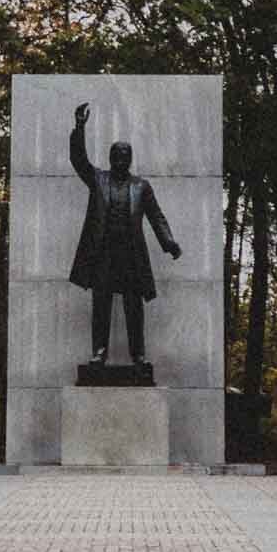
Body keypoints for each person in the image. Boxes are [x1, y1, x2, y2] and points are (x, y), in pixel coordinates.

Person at [67, 98, 182, 371]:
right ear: (110, 158)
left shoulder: (141, 186)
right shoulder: (98, 179)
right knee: (101, 304)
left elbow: (156, 216)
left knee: (134, 306)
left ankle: (138, 355)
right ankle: (99, 353)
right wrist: (79, 128)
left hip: (131, 255)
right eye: (116, 155)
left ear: (130, 159)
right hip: (103, 254)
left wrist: (168, 242)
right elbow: (78, 160)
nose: (120, 159)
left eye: (125, 155)